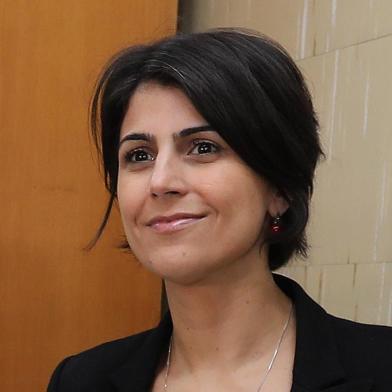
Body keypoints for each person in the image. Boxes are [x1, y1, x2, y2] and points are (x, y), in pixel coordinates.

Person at [47, 28, 392, 392]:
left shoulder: (382, 368)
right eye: (139, 155)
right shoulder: (80, 380)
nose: (160, 181)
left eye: (203, 148)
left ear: (280, 188)